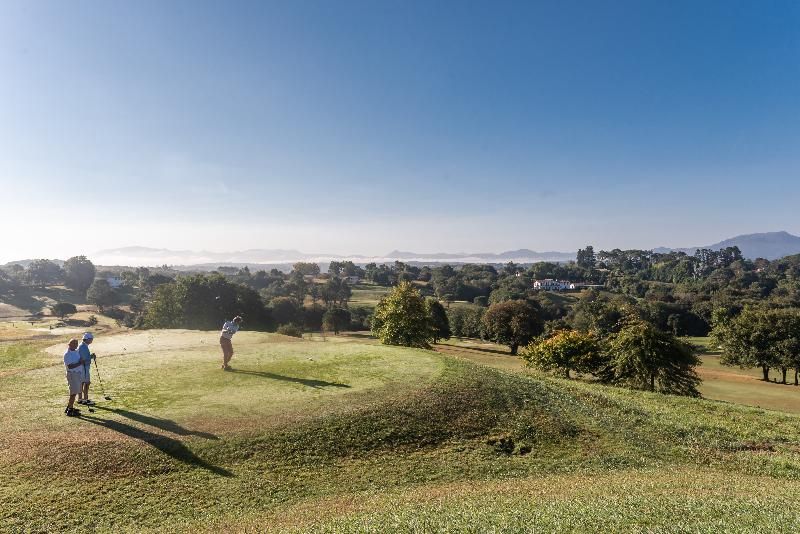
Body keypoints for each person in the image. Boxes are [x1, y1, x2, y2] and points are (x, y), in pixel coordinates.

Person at [64, 339, 83, 417]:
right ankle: (70, 410)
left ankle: (69, 407)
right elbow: (70, 366)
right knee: (73, 393)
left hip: (77, 374)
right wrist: (80, 363)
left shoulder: (76, 352)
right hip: (72, 374)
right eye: (74, 343)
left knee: (75, 391)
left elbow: (79, 360)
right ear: (69, 344)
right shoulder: (67, 354)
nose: (76, 345)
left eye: (76, 343)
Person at [77, 332, 95, 405]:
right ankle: (85, 399)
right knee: (87, 383)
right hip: (84, 367)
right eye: (91, 339)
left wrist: (90, 356)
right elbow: (84, 359)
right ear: (87, 339)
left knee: (82, 383)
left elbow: (84, 357)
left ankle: (80, 399)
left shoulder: (83, 345)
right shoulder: (83, 347)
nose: (92, 340)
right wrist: (91, 356)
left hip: (83, 367)